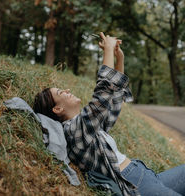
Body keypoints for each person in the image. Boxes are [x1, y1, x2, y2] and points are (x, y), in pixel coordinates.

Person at [33, 32, 185, 196]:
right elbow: (102, 94)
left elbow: (113, 100)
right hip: (135, 185)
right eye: (61, 92)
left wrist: (119, 58)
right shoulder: (74, 131)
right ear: (57, 109)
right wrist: (108, 49)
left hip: (143, 175)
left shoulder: (88, 129)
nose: (67, 90)